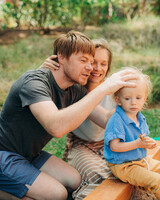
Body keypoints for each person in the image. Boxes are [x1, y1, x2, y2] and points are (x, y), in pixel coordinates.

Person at [0, 31, 138, 200]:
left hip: (29, 155)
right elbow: (56, 127)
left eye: (91, 61)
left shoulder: (74, 91)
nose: (90, 67)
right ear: (62, 57)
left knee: (74, 180)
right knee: (57, 194)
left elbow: (106, 119)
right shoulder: (34, 82)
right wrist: (104, 88)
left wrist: (132, 100)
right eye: (83, 61)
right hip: (4, 153)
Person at [40, 39, 116, 200]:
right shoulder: (70, 90)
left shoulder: (114, 89)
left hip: (110, 144)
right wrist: (44, 71)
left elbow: (116, 117)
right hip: (82, 146)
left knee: (126, 173)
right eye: (93, 62)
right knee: (98, 176)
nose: (96, 68)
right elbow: (43, 94)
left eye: (103, 64)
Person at [103, 67, 160, 199]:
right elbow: (115, 147)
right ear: (118, 100)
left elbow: (141, 140)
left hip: (140, 160)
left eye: (138, 98)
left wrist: (147, 142)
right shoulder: (116, 120)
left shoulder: (139, 117)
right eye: (127, 98)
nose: (133, 102)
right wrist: (137, 144)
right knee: (157, 181)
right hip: (124, 165)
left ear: (144, 98)